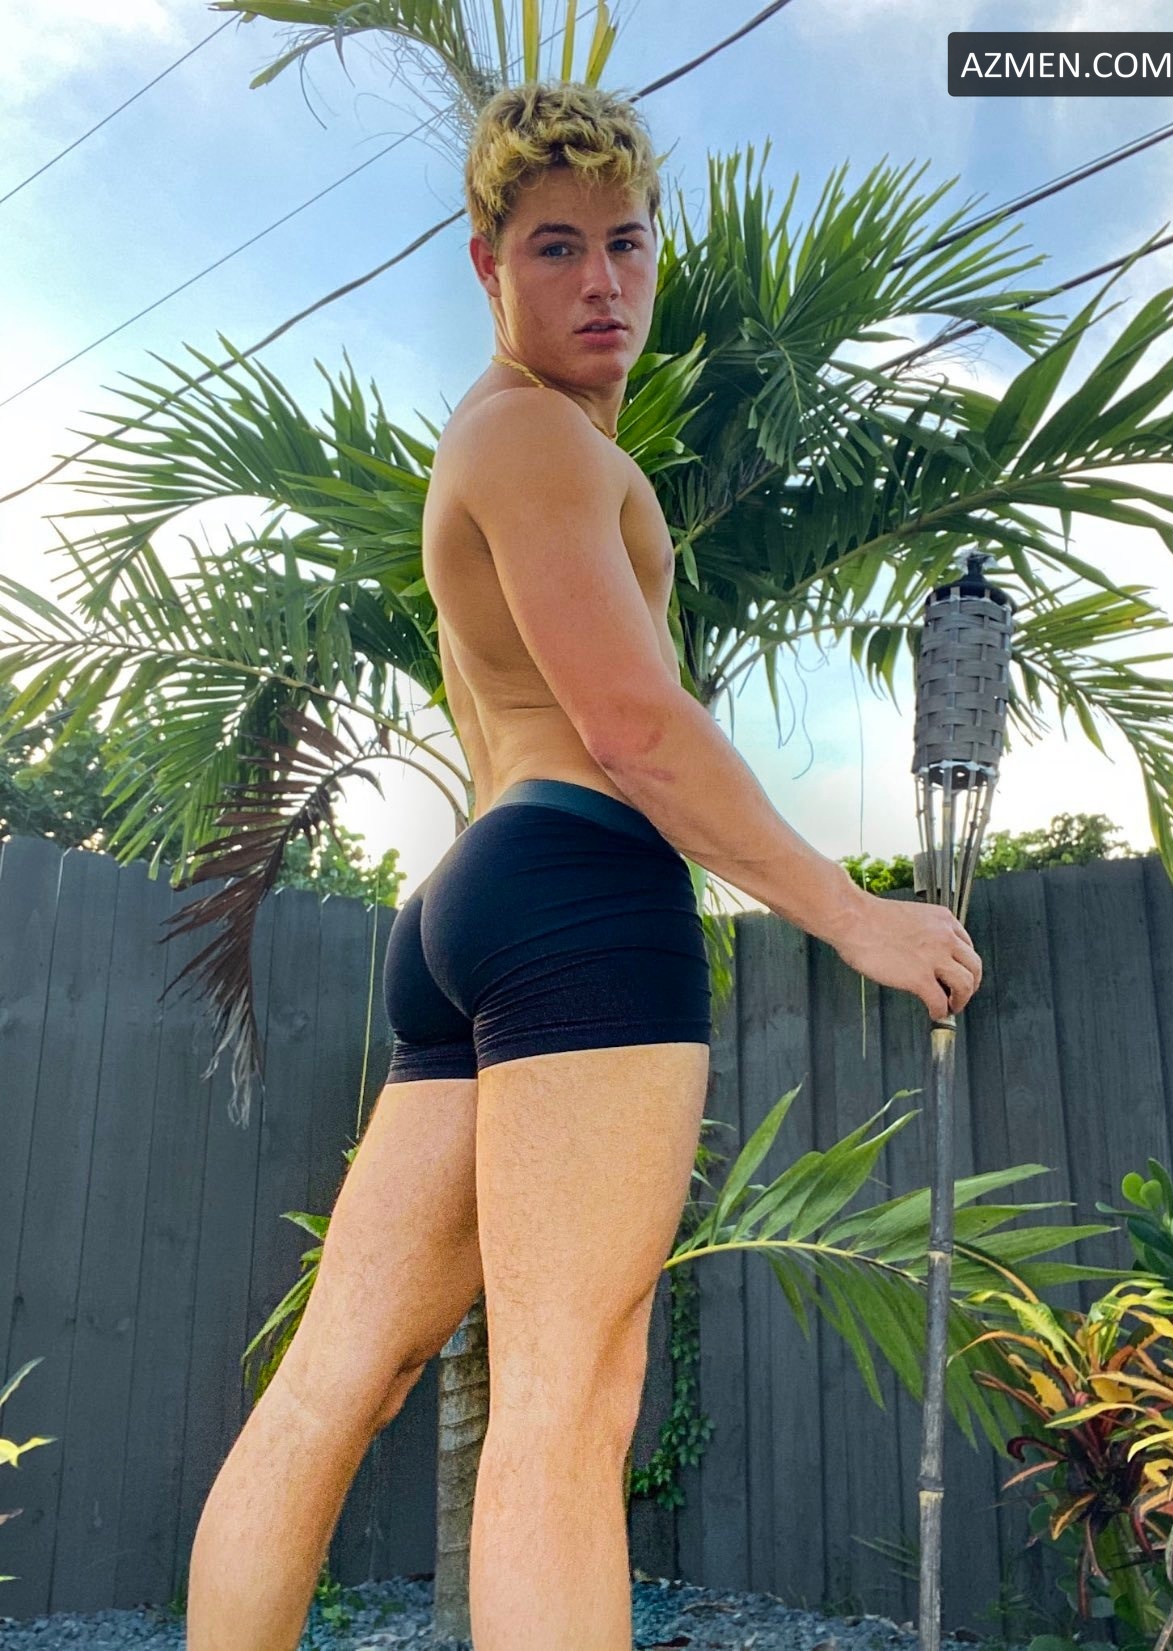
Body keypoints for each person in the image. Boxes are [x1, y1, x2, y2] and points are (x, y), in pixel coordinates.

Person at [186, 80, 983, 1651]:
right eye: (556, 247)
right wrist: (847, 915)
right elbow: (629, 723)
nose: (602, 281)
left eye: (625, 243)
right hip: (573, 891)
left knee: (342, 1371)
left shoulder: (501, 442)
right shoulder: (533, 437)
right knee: (567, 1394)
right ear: (487, 264)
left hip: (471, 903)